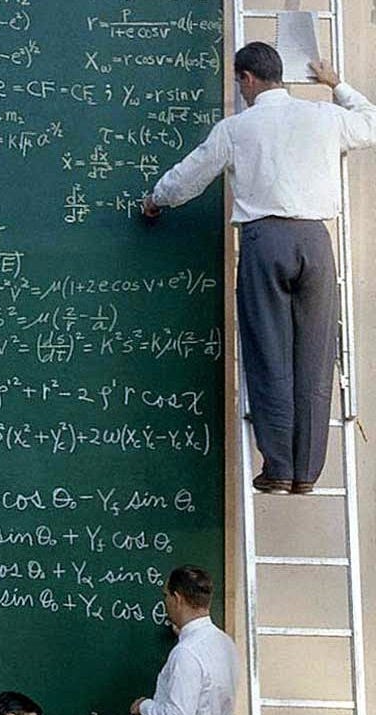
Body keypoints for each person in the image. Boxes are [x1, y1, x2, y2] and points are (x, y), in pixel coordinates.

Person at [141, 42, 376, 495]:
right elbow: (371, 122)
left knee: (269, 354)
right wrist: (336, 84)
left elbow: (190, 176)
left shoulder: (237, 128)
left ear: (247, 78)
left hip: (265, 240)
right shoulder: (324, 117)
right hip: (315, 240)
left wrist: (155, 200)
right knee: (315, 356)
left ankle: (280, 466)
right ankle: (307, 472)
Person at [130, 566, 238, 715]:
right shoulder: (224, 642)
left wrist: (144, 707)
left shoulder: (186, 653)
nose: (166, 602)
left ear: (177, 598)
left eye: (166, 595)